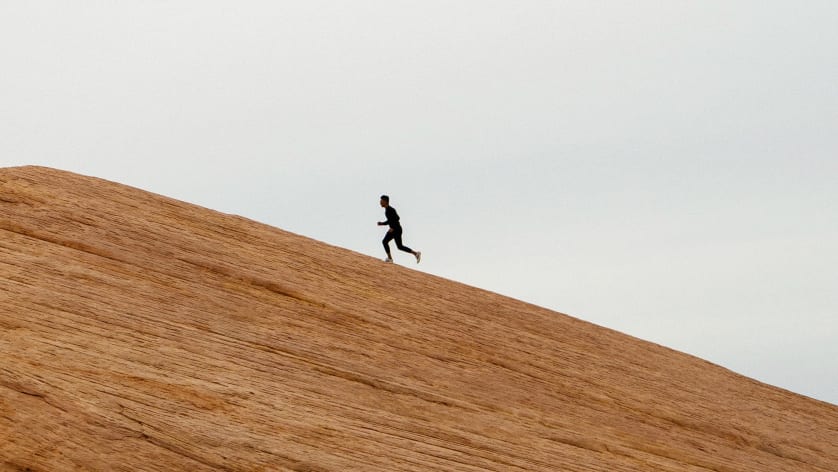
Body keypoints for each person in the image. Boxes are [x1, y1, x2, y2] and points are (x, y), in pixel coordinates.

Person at [377, 195, 421, 264]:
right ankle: (416, 253)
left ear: (385, 201)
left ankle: (390, 259)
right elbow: (390, 220)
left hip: (396, 229)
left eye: (381, 201)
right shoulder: (387, 210)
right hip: (397, 229)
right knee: (399, 246)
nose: (380, 202)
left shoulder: (390, 210)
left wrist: (393, 227)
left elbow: (397, 218)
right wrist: (382, 223)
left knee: (385, 241)